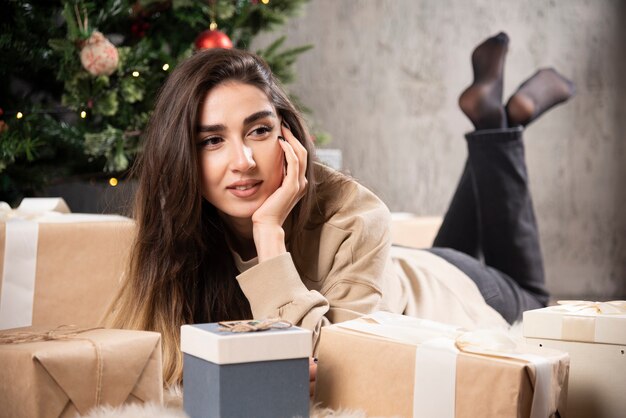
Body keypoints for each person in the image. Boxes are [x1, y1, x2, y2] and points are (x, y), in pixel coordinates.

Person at [106, 32, 575, 388]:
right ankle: (496, 125)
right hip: (398, 268)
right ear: (182, 157)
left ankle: (498, 126)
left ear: (287, 136)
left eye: (258, 131)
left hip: (450, 288)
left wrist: (269, 234)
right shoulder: (177, 225)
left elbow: (332, 369)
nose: (242, 161)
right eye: (212, 140)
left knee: (534, 298)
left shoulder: (353, 212)